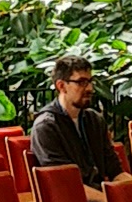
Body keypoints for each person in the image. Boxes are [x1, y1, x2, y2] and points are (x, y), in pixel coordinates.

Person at [29, 57, 123, 187]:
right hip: (72, 196)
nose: (90, 88)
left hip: (100, 192)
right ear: (61, 86)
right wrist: (110, 198)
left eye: (90, 81)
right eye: (81, 82)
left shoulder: (95, 120)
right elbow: (65, 183)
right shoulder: (46, 126)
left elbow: (115, 171)